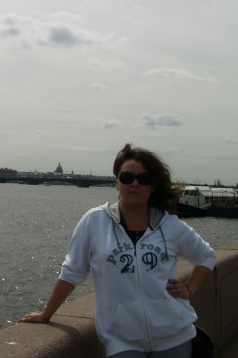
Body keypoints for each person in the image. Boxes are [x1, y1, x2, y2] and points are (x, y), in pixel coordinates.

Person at [20, 143, 215, 358]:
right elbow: (72, 272)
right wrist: (46, 314)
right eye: (127, 177)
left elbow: (206, 256)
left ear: (152, 186)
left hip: (175, 335)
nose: (135, 184)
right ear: (117, 182)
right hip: (121, 340)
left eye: (144, 179)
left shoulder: (169, 225)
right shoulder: (94, 221)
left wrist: (190, 288)